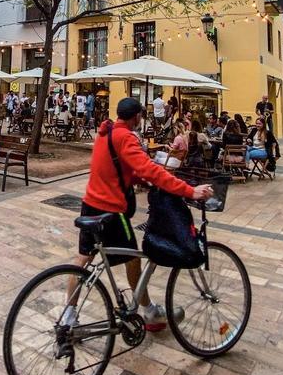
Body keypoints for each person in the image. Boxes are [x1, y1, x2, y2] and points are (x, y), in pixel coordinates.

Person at [67, 97, 213, 331]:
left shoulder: (106, 133)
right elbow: (149, 169)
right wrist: (189, 190)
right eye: (141, 117)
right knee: (133, 258)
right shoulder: (126, 137)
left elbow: (116, 169)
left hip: (90, 204)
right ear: (136, 117)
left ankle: (69, 316)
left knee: (83, 259)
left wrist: (137, 178)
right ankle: (149, 311)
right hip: (113, 211)